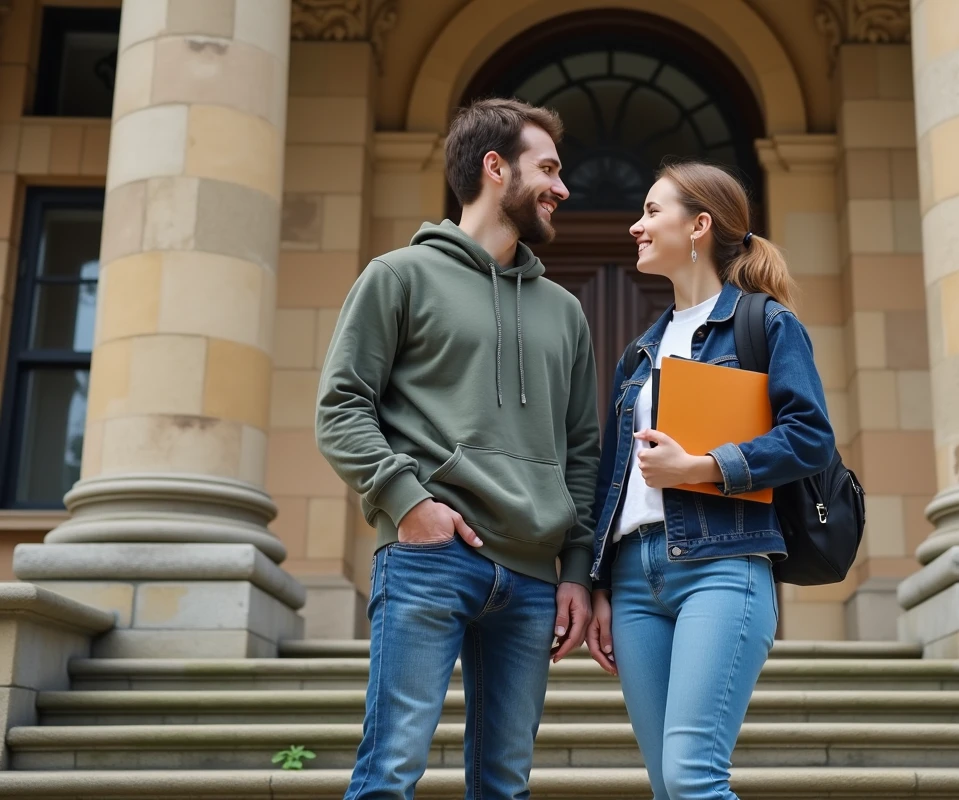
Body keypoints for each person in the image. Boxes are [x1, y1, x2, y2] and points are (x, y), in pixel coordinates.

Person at [315, 97, 599, 800]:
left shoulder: (565, 311)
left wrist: (577, 571)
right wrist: (408, 504)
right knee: (389, 775)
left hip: (533, 578)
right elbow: (341, 407)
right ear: (494, 168)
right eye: (549, 170)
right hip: (429, 558)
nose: (562, 189)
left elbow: (585, 450)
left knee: (505, 786)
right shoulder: (399, 276)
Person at [585, 161, 836, 800]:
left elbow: (810, 437)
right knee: (668, 785)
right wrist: (600, 586)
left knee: (695, 776)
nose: (636, 226)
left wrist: (704, 468)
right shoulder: (639, 352)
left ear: (698, 225)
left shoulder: (766, 324)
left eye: (651, 211)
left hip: (723, 564)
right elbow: (614, 478)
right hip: (636, 578)